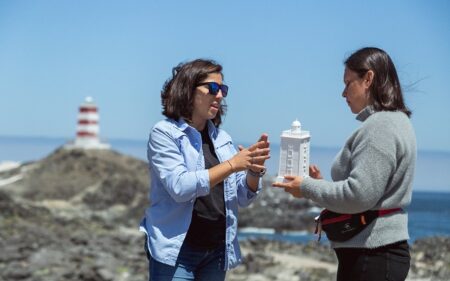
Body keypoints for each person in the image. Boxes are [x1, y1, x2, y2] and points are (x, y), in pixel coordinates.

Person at [273, 47, 416, 281]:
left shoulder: (380, 126)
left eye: (348, 83)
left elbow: (359, 195)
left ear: (368, 79)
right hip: (378, 251)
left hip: (372, 253)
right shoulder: (396, 121)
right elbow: (370, 192)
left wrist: (307, 187)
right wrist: (321, 185)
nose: (343, 93)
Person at [139, 59, 270, 281]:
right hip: (178, 252)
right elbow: (180, 187)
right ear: (188, 89)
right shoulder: (164, 133)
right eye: (212, 88)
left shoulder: (222, 138)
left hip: (217, 250)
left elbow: (242, 197)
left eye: (223, 89)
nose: (219, 95)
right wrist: (232, 165)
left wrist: (253, 171)